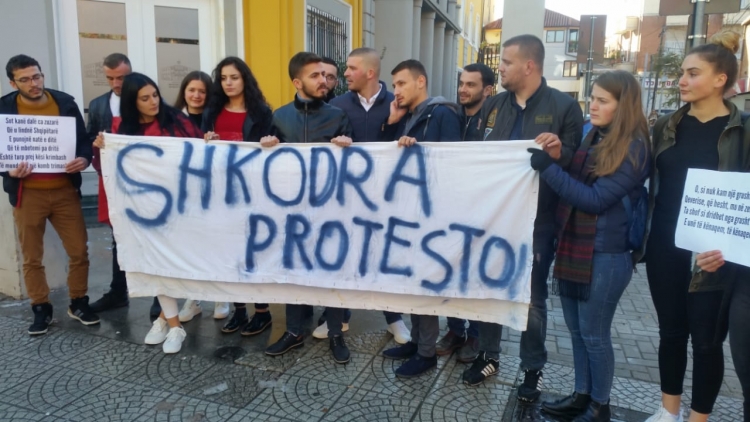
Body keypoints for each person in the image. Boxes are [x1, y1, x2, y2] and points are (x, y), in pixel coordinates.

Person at [466, 35, 583, 403]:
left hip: (538, 222)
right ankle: (488, 356)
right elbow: (473, 157)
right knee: (487, 286)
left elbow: (575, 163)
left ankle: (532, 369)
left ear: (529, 66)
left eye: (506, 61)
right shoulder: (494, 105)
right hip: (492, 217)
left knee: (532, 297)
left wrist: (559, 153)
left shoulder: (564, 107)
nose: (499, 67)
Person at [529, 70, 650, 422]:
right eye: (592, 97)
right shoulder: (593, 134)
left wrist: (548, 169)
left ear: (622, 106)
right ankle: (581, 395)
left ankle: (600, 405)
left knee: (595, 335)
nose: (592, 105)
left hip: (606, 256)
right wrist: (557, 153)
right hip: (575, 248)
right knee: (577, 332)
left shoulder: (634, 147)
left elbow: (595, 199)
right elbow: (576, 173)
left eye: (602, 100)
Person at [644, 31, 748, 422]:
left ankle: (698, 418)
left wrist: (731, 248)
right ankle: (668, 411)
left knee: (707, 343)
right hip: (665, 247)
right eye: (682, 73)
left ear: (721, 79)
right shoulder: (667, 126)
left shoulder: (744, 130)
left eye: (693, 73)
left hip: (717, 256)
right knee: (671, 333)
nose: (682, 80)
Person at [94, 72, 202, 354]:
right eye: (145, 98)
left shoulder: (176, 120)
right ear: (132, 101)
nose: (153, 101)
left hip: (178, 208)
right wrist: (100, 150)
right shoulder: (120, 129)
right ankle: (174, 324)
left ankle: (165, 318)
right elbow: (107, 170)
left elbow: (201, 153)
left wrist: (209, 141)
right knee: (155, 264)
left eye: (155, 94)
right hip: (142, 212)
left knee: (176, 263)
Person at [261, 52, 353, 365]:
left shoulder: (337, 115)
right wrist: (267, 145)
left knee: (331, 268)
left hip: (329, 208)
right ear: (297, 82)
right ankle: (294, 331)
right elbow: (265, 161)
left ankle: (335, 330)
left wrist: (346, 143)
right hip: (291, 209)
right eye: (315, 76)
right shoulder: (280, 115)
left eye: (327, 76)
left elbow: (356, 163)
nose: (324, 81)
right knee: (294, 269)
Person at [0, 54, 99, 335]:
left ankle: (78, 301)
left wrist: (84, 159)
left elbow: (83, 140)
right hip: (27, 194)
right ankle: (40, 308)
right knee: (32, 257)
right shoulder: (4, 108)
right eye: (26, 79)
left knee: (79, 251)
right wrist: (8, 171)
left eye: (37, 76)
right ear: (12, 82)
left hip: (65, 191)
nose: (34, 83)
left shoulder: (64, 102)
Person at [320, 47, 411, 344]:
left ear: (370, 73)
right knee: (343, 254)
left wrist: (394, 124)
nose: (344, 74)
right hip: (346, 196)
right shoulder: (337, 103)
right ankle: (339, 315)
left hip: (388, 196)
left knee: (386, 255)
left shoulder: (398, 101)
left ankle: (393, 317)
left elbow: (399, 148)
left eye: (351, 68)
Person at [379, 59, 462, 378]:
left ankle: (427, 353)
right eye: (394, 84)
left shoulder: (441, 114)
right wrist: (393, 125)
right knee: (412, 283)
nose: (395, 91)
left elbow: (450, 161)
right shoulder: (409, 116)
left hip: (432, 216)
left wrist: (420, 149)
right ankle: (417, 342)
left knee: (425, 284)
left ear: (421, 82)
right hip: (410, 213)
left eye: (401, 84)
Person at [202, 57, 274, 336]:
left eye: (234, 77)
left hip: (252, 194)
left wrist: (269, 144)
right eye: (223, 78)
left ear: (245, 79)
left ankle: (262, 312)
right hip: (221, 193)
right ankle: (239, 310)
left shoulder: (262, 113)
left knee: (253, 253)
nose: (228, 83)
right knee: (229, 252)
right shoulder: (212, 112)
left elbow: (273, 148)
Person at [434, 62, 495, 363]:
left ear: (488, 90)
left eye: (470, 85)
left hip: (484, 214)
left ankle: (476, 335)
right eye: (461, 83)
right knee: (451, 273)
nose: (462, 89)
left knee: (477, 275)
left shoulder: (496, 124)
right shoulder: (452, 117)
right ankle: (455, 329)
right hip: (451, 213)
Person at [168, 70, 232, 323]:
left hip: (214, 192)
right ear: (183, 91)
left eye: (202, 91)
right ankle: (192, 298)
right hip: (183, 194)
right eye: (191, 90)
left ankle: (220, 295)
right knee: (190, 246)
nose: (196, 95)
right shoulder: (171, 120)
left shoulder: (215, 119)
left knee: (216, 243)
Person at [86, 53, 140, 315]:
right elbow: (88, 139)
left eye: (122, 77)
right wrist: (95, 150)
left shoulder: (146, 100)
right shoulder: (97, 106)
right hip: (112, 180)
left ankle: (161, 300)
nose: (116, 83)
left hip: (143, 182)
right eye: (111, 78)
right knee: (118, 236)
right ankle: (119, 291)